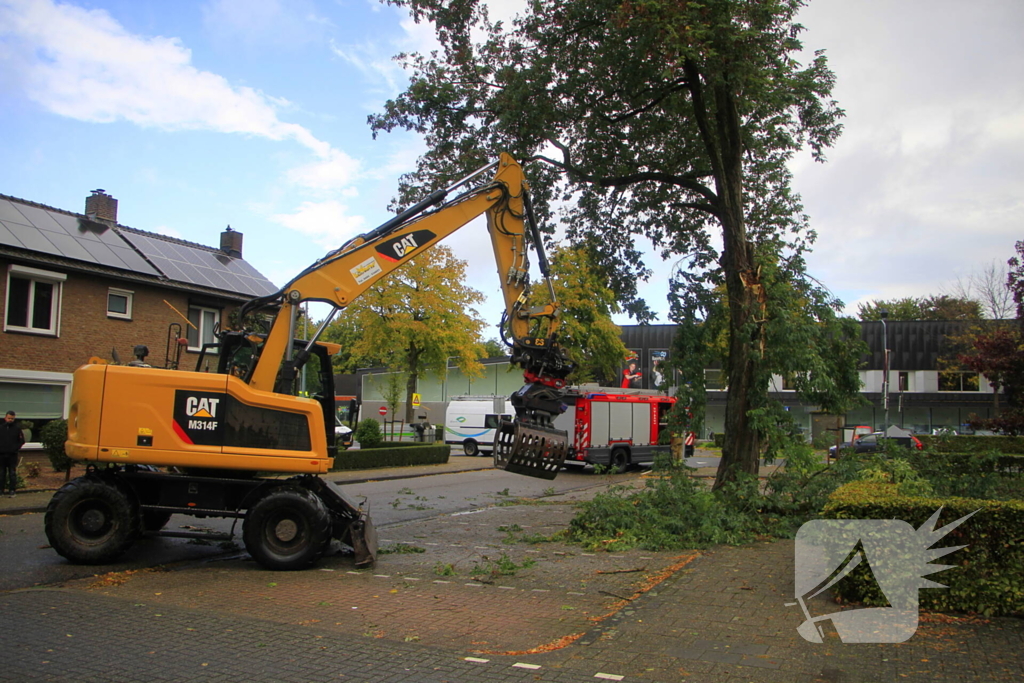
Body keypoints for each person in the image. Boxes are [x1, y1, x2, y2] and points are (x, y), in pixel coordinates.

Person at [1, 410, 25, 497]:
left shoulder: (17, 429)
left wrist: (15, 449)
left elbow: (22, 441)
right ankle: (1, 490)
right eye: (9, 418)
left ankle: (12, 490)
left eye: (12, 418)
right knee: (1, 473)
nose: (10, 420)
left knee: (12, 473)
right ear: (5, 418)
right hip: (1, 454)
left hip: (12, 455)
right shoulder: (1, 428)